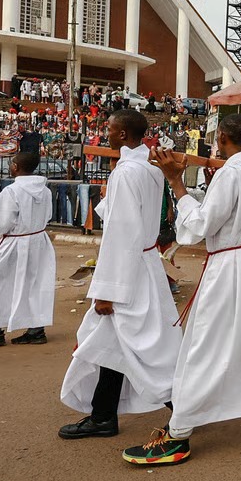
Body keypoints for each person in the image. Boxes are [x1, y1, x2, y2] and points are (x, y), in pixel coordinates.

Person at [123, 114, 241, 465]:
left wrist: (176, 183)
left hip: (229, 268)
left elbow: (198, 227)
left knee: (203, 346)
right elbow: (225, 211)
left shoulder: (231, 173)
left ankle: (178, 436)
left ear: (221, 138)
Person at [59, 109, 183, 440]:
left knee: (147, 351)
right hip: (143, 263)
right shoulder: (148, 169)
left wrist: (107, 291)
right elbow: (129, 216)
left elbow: (122, 231)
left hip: (128, 272)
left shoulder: (127, 172)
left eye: (110, 129)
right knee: (111, 345)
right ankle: (102, 415)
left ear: (124, 135)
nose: (106, 134)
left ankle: (186, 410)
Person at [0, 152, 56, 348]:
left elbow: (2, 224)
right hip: (38, 240)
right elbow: (47, 214)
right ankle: (36, 329)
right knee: (35, 284)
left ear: (15, 166)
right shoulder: (45, 190)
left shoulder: (12, 191)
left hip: (15, 242)